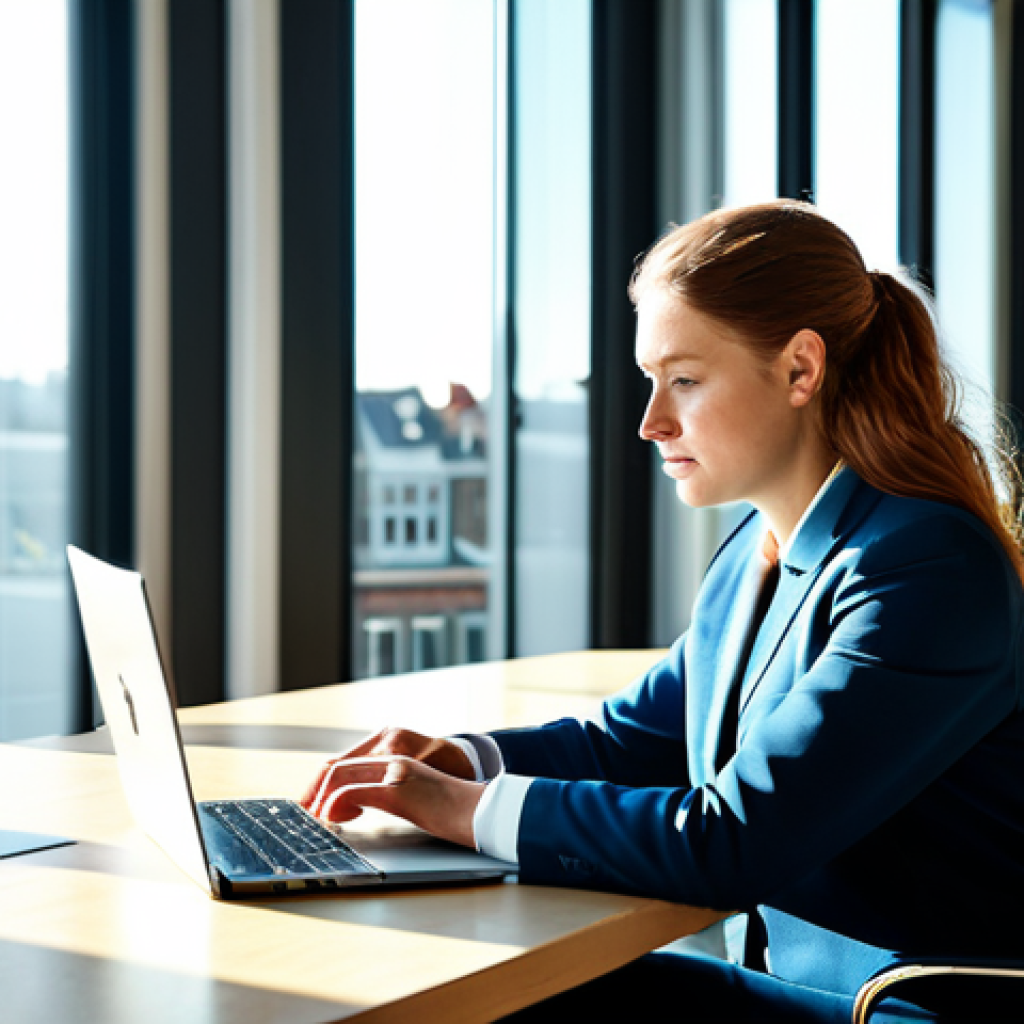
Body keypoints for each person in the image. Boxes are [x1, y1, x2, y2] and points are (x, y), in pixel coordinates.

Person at [302, 201, 1024, 1022]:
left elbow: (732, 839)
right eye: (652, 381)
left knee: (500, 999)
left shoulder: (927, 567)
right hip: (797, 989)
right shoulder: (754, 556)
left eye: (683, 380)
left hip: (903, 1008)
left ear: (800, 369)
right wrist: (466, 764)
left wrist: (464, 813)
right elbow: (631, 742)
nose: (651, 422)